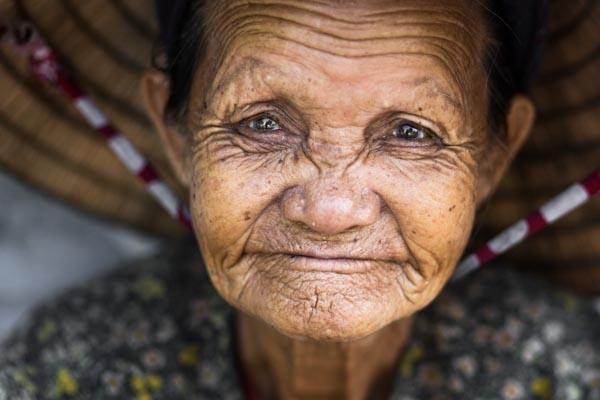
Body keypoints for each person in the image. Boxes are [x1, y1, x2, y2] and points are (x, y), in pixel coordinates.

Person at [0, 1, 598, 399]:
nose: (330, 212)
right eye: (262, 124)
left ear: (494, 155)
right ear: (177, 134)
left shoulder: (569, 372)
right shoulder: (71, 366)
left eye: (411, 132)